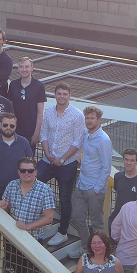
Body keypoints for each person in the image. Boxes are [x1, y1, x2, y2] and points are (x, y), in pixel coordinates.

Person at [0, 157, 55, 273]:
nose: (27, 173)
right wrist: (3, 206)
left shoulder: (44, 190)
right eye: (23, 170)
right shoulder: (11, 186)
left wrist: (28, 227)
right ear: (18, 172)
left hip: (34, 241)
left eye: (30, 170)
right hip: (14, 240)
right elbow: (7, 209)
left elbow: (49, 218)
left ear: (36, 172)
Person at [38, 83, 86, 247]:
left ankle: (63, 232)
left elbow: (78, 141)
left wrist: (63, 159)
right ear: (55, 95)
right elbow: (44, 133)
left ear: (69, 95)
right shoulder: (49, 112)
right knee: (33, 184)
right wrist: (46, 153)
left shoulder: (77, 115)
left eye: (65, 94)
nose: (62, 96)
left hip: (67, 164)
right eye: (59, 93)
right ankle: (37, 220)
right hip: (48, 160)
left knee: (65, 199)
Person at [70, 106, 111, 248]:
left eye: (92, 118)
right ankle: (87, 247)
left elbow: (106, 167)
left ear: (99, 120)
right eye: (87, 118)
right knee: (77, 217)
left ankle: (99, 252)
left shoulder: (103, 140)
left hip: (94, 189)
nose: (89, 121)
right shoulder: (86, 135)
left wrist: (97, 189)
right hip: (81, 185)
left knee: (96, 223)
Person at [109, 149, 137, 230]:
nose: (128, 163)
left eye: (132, 160)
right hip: (117, 220)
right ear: (123, 160)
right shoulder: (118, 176)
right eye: (126, 159)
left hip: (133, 224)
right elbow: (118, 193)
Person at [10, 57, 45, 146]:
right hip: (14, 130)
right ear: (18, 69)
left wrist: (37, 133)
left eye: (27, 67)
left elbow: (40, 112)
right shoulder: (13, 84)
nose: (24, 70)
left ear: (32, 68)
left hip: (30, 131)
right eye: (21, 67)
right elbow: (9, 108)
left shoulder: (39, 86)